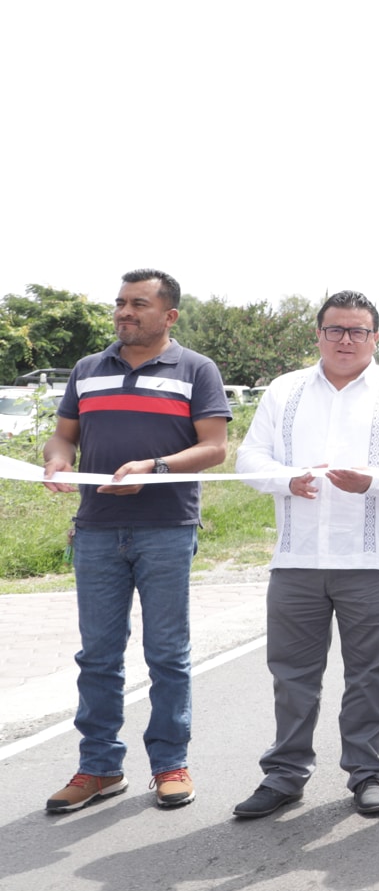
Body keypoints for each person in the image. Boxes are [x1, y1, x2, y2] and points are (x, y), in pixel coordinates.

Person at [231, 291, 379, 819]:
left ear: (375, 337)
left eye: (358, 331)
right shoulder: (286, 391)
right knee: (292, 673)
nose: (346, 341)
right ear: (318, 334)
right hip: (297, 557)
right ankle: (285, 774)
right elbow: (250, 456)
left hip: (368, 557)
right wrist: (284, 479)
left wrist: (375, 482)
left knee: (369, 672)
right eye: (335, 330)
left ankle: (365, 772)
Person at [41, 270, 231, 814]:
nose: (125, 312)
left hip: (167, 528)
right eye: (120, 303)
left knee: (167, 654)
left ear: (169, 315)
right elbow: (64, 434)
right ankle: (99, 768)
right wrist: (58, 458)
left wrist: (158, 467)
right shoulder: (87, 369)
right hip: (96, 527)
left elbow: (214, 447)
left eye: (139, 304)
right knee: (98, 655)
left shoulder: (197, 369)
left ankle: (170, 764)